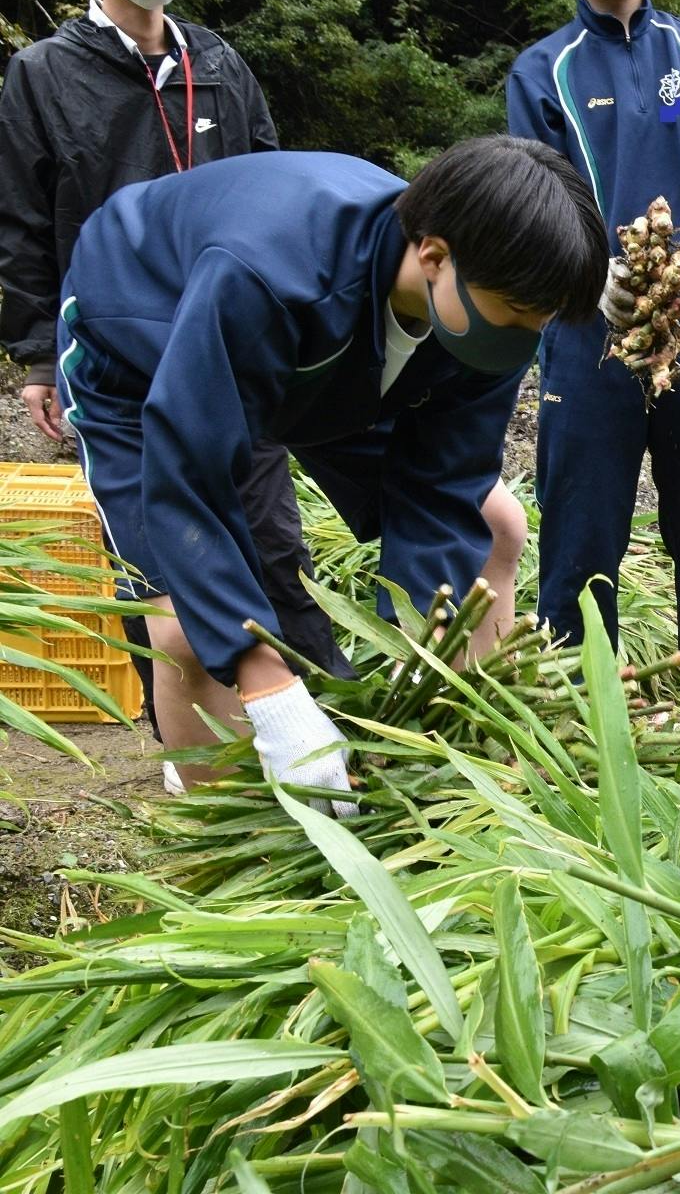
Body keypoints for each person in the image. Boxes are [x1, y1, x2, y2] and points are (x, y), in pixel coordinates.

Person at [53, 137, 607, 811]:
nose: (528, 333)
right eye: (518, 312)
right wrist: (269, 688)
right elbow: (189, 475)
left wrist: (421, 648)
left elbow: (444, 482)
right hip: (144, 353)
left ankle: (461, 767)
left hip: (324, 371)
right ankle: (231, 839)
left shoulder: (490, 317)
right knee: (185, 632)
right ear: (435, 257)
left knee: (498, 526)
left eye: (542, 320)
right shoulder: (273, 273)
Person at [0, 0, 362, 789]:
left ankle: (326, 724)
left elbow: (275, 182)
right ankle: (193, 760)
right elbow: (22, 220)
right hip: (120, 350)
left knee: (272, 536)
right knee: (161, 571)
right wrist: (38, 357)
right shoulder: (45, 72)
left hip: (238, 343)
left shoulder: (218, 63)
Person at [508, 0, 680, 715]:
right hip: (588, 326)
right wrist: (586, 274)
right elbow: (533, 197)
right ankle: (577, 696)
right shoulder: (542, 70)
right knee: (581, 529)